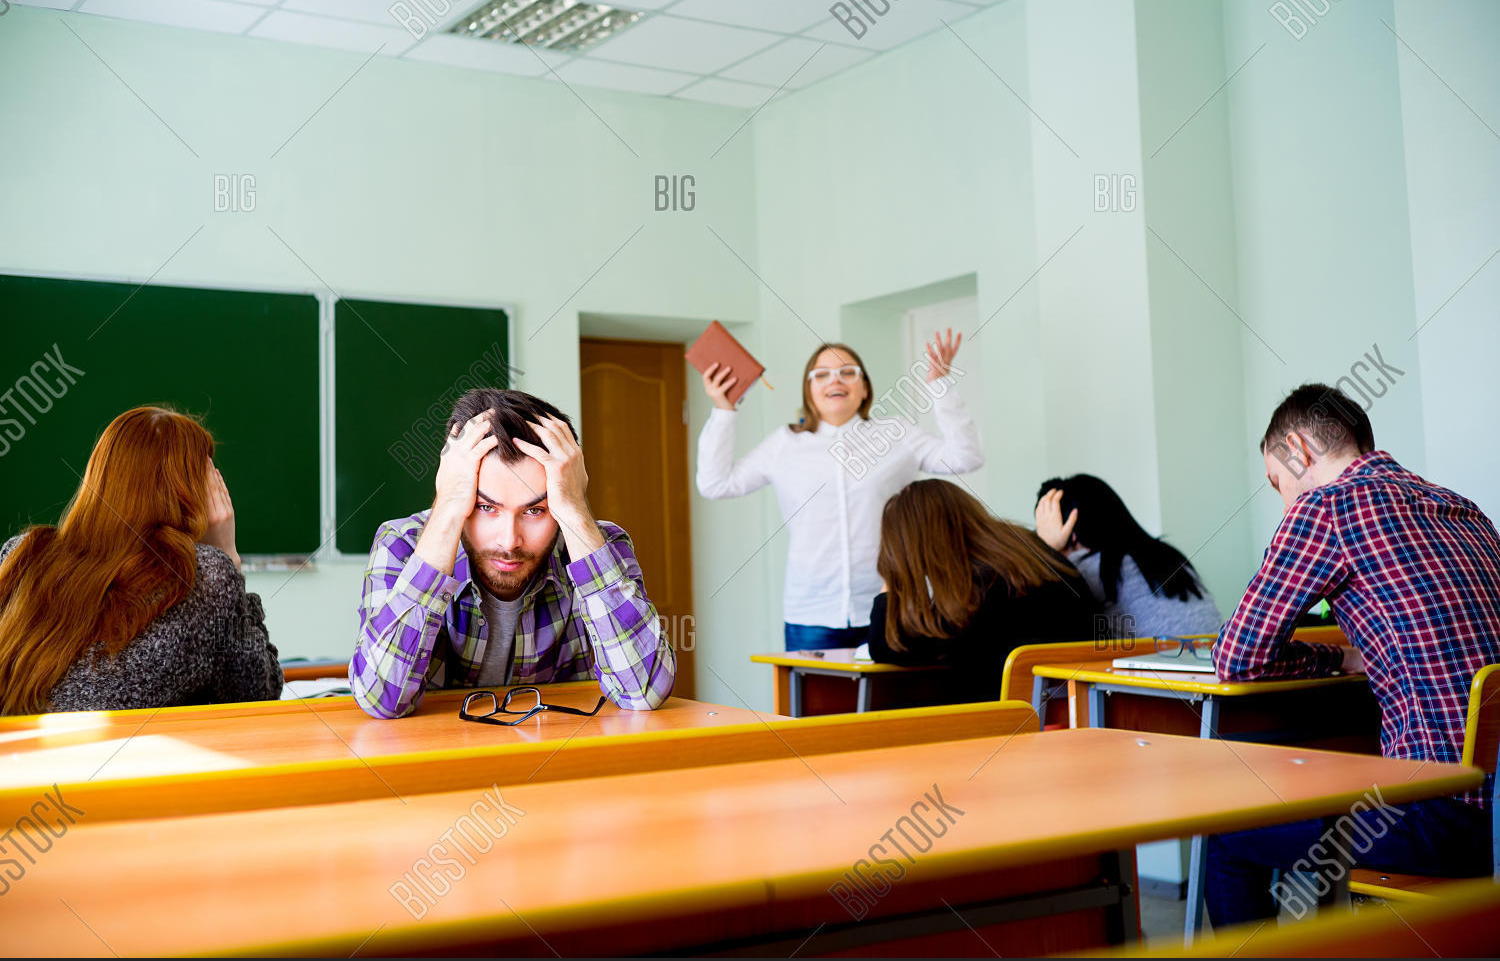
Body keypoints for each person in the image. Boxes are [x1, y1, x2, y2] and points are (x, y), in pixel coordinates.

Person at [1206, 383, 1500, 926]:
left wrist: (1329, 661)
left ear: (1298, 447)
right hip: (1493, 806)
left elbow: (1237, 656)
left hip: (1447, 817)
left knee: (1224, 832)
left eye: (1277, 481)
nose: (1283, 501)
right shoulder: (1463, 510)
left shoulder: (1328, 506)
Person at [351, 388, 675, 719]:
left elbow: (643, 691)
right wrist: (447, 509)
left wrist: (577, 513)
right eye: (486, 507)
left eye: (535, 510)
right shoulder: (403, 544)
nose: (509, 541)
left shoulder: (600, 544)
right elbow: (380, 699)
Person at [697, 332, 982, 651]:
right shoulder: (784, 444)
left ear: (863, 389)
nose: (836, 380)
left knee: (894, 702)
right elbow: (714, 483)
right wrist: (723, 411)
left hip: (893, 607)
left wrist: (940, 385)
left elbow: (965, 457)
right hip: (811, 615)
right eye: (822, 374)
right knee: (815, 702)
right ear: (810, 390)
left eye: (848, 372)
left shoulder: (897, 434)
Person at [0, 406, 281, 714]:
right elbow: (257, 694)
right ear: (195, 493)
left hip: (18, 758)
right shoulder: (207, 578)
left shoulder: (22, 554)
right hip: (128, 760)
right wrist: (230, 558)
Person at [866, 480, 1100, 704]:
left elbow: (887, 646)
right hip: (1079, 709)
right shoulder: (1026, 549)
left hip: (1011, 722)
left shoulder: (974, 590)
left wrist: (893, 577)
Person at [1034, 474, 1221, 639]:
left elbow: (1042, 615)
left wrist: (1047, 548)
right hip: (1217, 669)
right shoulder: (1168, 555)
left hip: (1160, 677)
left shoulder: (1085, 569)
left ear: (1069, 533)